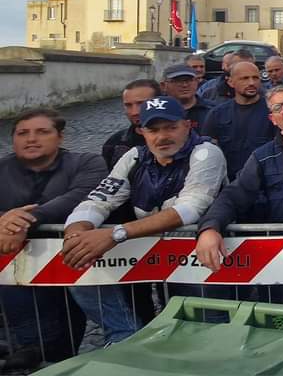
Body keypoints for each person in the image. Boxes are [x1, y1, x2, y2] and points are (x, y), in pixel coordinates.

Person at [62, 97, 228, 344]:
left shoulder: (205, 153)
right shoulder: (134, 157)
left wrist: (114, 234)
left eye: (171, 128)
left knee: (204, 331)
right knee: (77, 268)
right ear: (142, 131)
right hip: (160, 257)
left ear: (187, 125)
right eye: (153, 130)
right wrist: (77, 234)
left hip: (202, 265)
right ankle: (126, 342)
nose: (162, 137)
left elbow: (189, 209)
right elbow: (100, 198)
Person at [195, 85, 283, 306]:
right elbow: (234, 194)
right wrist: (210, 227)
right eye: (278, 108)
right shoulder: (263, 156)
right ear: (273, 119)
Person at [0, 109, 110, 369]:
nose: (31, 139)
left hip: (72, 270)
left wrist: (22, 221)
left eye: (42, 131)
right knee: (26, 345)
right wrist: (5, 220)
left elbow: (80, 196)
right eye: (22, 133)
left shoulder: (88, 162)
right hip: (14, 283)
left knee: (63, 340)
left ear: (60, 136)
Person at [201, 61, 275, 180]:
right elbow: (208, 151)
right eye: (244, 78)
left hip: (266, 181)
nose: (251, 83)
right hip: (229, 182)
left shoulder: (273, 112)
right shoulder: (217, 114)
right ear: (230, 82)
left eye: (255, 78)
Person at [102, 79, 161, 170]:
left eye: (141, 104)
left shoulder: (180, 140)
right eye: (128, 105)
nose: (134, 112)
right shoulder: (114, 143)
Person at [161, 63, 213, 132]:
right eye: (178, 81)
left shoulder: (213, 110)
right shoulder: (156, 111)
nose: (184, 85)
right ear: (163, 86)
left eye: (189, 80)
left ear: (197, 82)